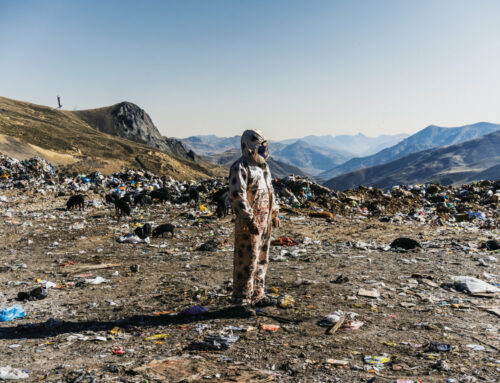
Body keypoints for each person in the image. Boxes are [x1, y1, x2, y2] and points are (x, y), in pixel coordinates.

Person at [229, 129, 279, 312]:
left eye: (265, 146)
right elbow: (237, 195)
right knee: (246, 260)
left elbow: (270, 190)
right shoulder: (240, 166)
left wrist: (274, 212)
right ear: (250, 147)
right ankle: (241, 300)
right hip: (248, 224)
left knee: (262, 259)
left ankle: (258, 295)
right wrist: (249, 220)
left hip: (264, 222)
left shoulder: (263, 167)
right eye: (261, 146)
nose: (264, 150)